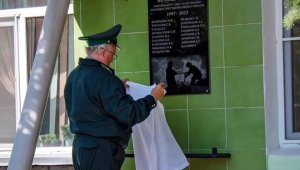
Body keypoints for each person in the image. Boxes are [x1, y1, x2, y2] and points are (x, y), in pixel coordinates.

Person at [64, 24, 166, 170]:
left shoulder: (75, 75)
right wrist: (153, 98)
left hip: (81, 148)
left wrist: (118, 90)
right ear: (103, 51)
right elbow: (130, 114)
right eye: (113, 53)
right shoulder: (105, 79)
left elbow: (94, 103)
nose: (112, 58)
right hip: (101, 151)